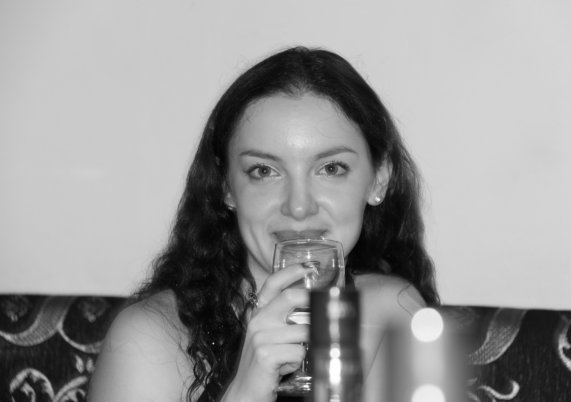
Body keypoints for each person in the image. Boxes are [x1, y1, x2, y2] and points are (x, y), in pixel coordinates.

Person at [88, 46, 439, 402]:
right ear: (226, 187)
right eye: (264, 171)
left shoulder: (393, 313)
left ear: (379, 179)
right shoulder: (147, 341)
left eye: (331, 168)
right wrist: (246, 391)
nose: (298, 206)